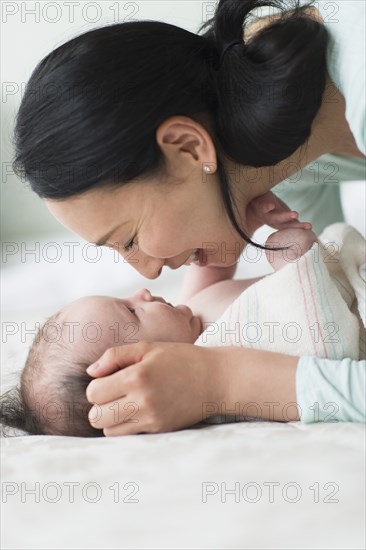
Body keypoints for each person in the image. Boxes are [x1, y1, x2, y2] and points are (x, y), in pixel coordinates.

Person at [10, 0, 365, 435]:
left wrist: (221, 380)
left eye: (129, 239)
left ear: (188, 148)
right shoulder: (277, 160)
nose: (149, 272)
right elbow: (335, 282)